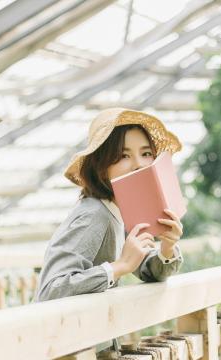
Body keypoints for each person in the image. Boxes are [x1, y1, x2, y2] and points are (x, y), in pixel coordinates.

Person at [35, 108, 185, 303]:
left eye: (146, 153)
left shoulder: (120, 211)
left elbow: (148, 270)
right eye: (124, 156)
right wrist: (119, 266)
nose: (139, 164)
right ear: (101, 167)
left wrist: (167, 247)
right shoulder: (95, 215)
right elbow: (51, 290)